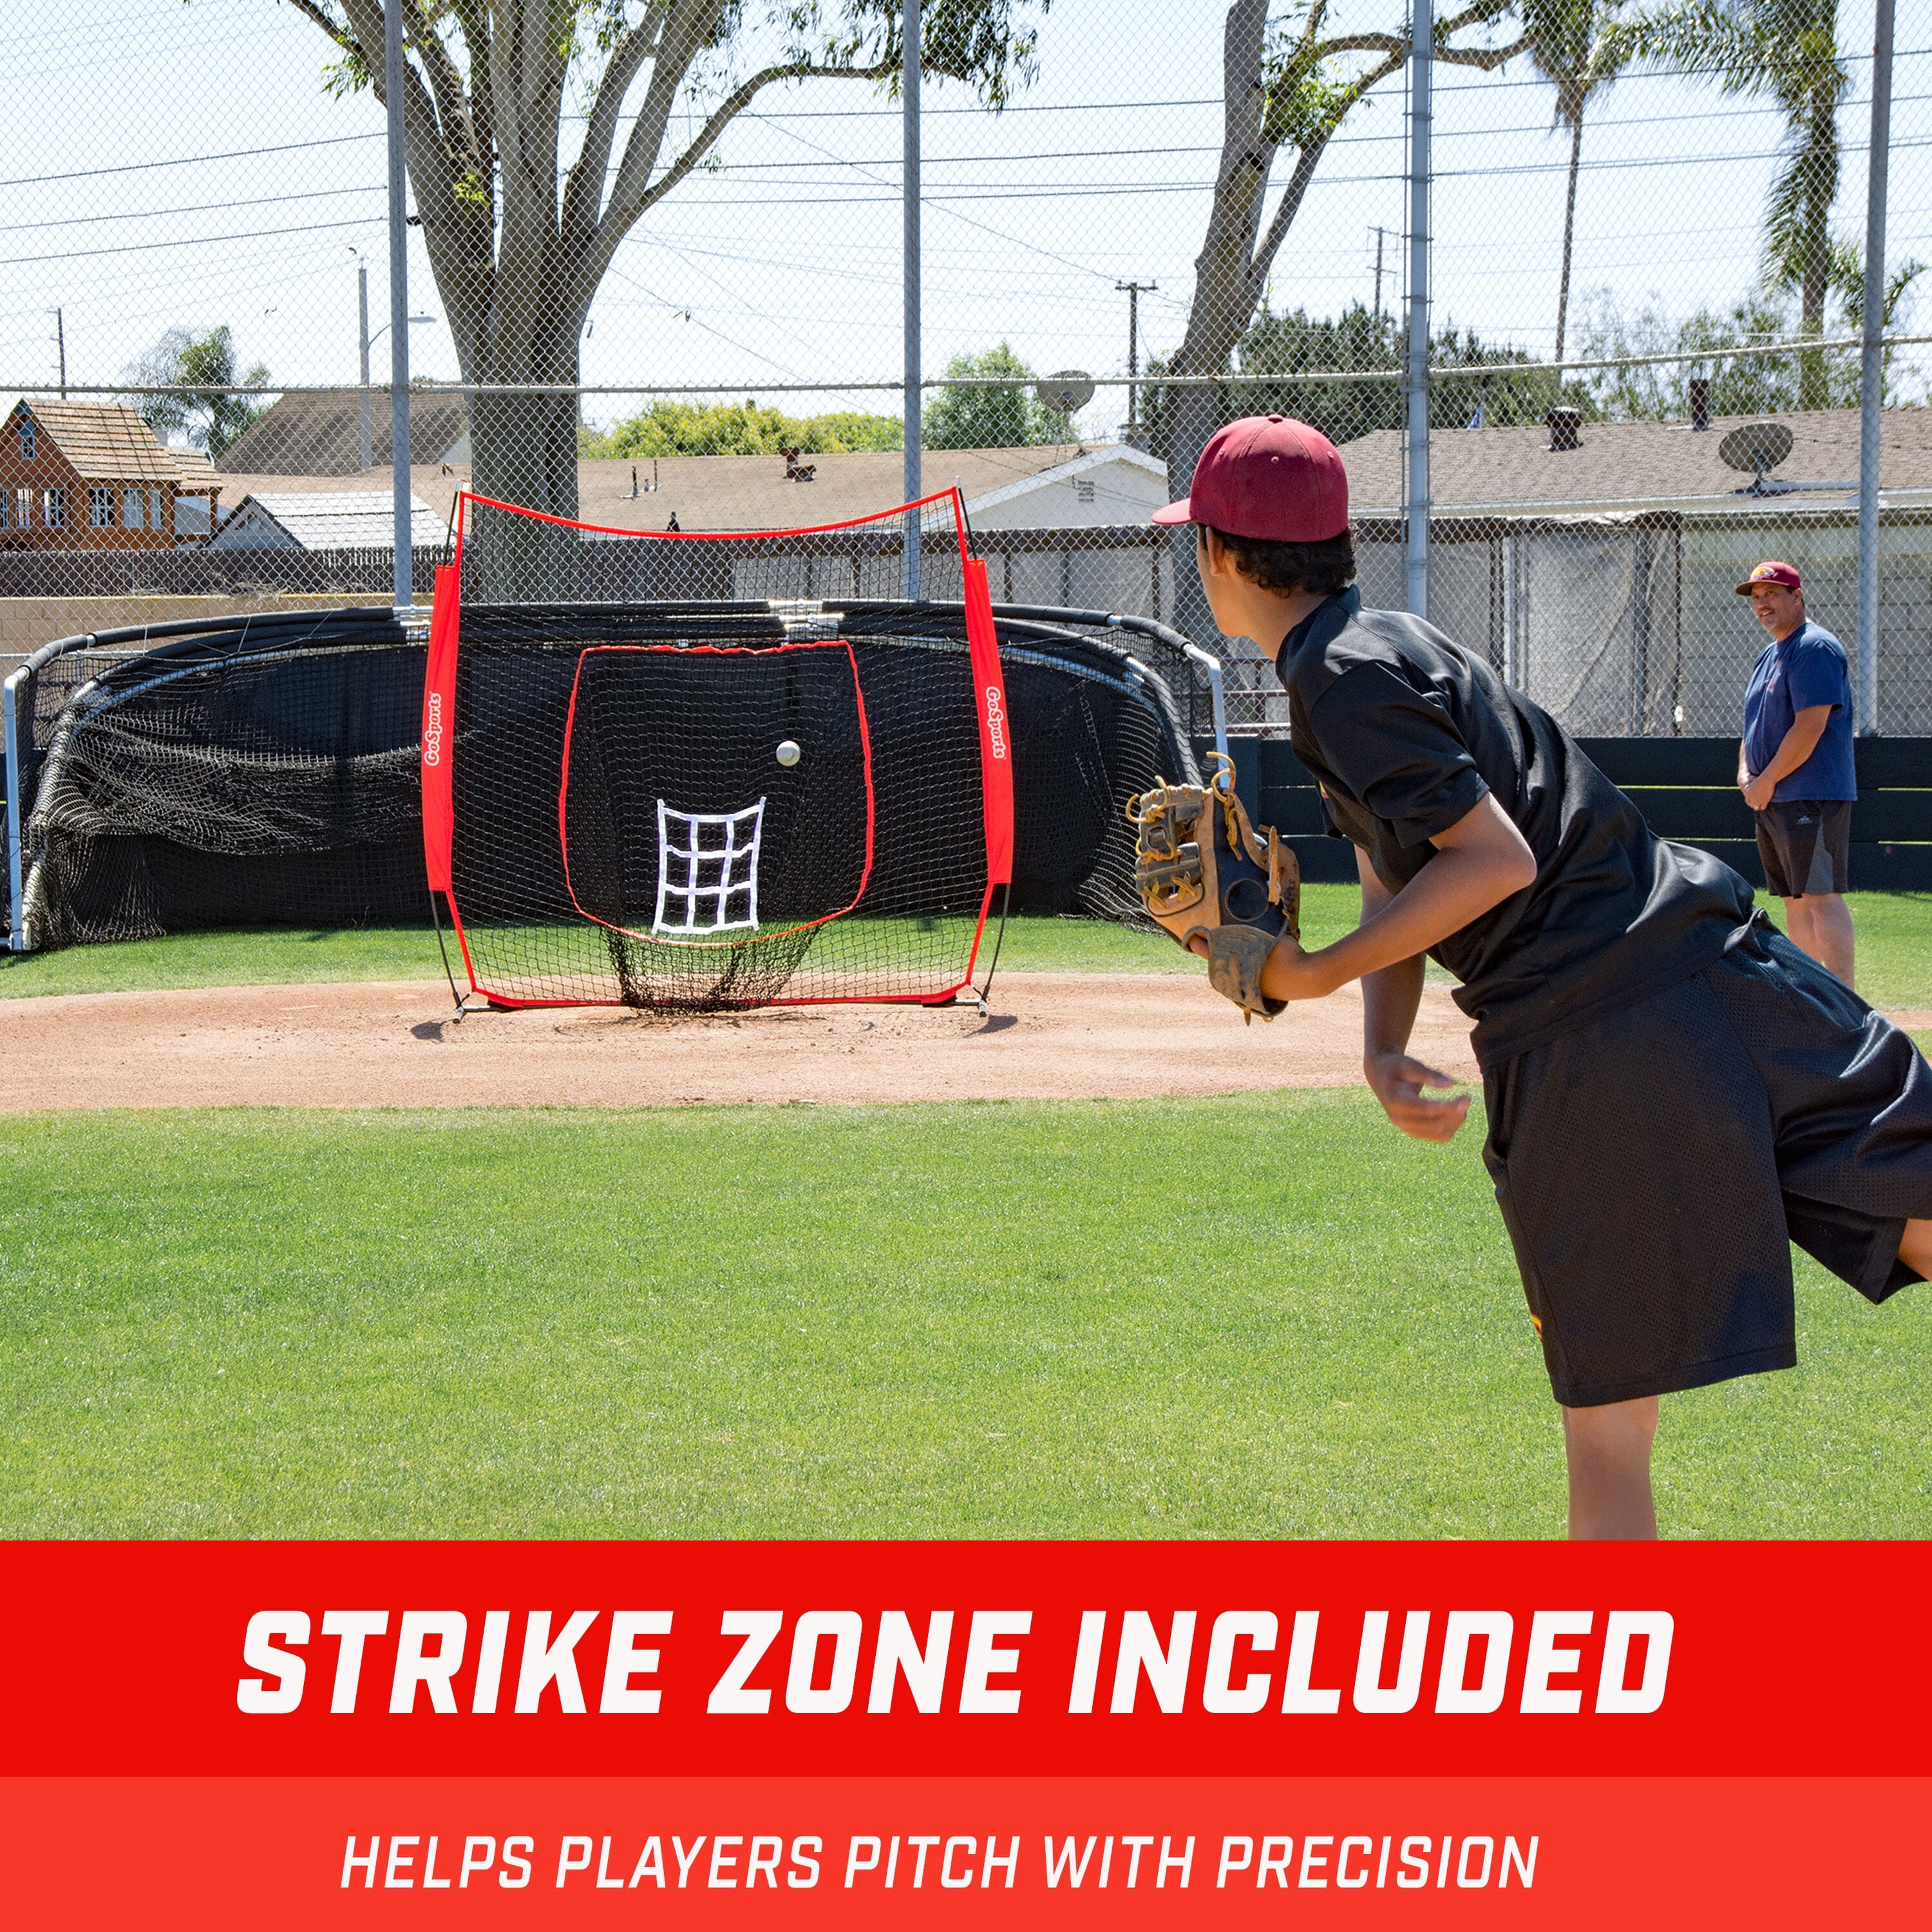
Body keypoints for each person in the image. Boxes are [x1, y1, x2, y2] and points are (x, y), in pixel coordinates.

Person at [1151, 415, 1932, 1539]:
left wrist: (1310, 975)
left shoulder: (1334, 677)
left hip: (1586, 1034)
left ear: (1218, 553)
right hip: (1714, 961)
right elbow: (1389, 870)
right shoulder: (1384, 641)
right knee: (1917, 1214)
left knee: (1608, 1436)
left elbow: (1492, 860)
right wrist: (1379, 1046)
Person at [1736, 560, 1857, 987]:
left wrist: (1767, 780)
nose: (1762, 604)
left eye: (1771, 594)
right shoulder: (1768, 655)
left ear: (1797, 596)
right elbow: (1752, 727)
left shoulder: (1814, 648)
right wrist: (1746, 774)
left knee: (1821, 896)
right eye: (1756, 598)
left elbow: (1810, 727)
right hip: (1772, 798)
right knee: (1794, 899)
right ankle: (1811, 997)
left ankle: (1844, 1001)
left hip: (1810, 793)